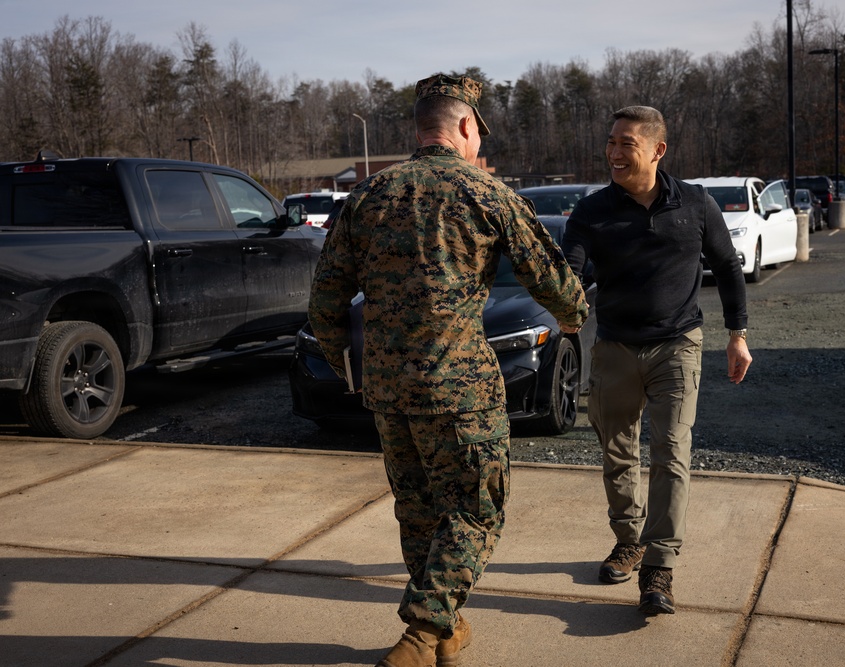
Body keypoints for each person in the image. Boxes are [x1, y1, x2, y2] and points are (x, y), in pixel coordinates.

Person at [308, 73, 588, 667]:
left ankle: (447, 630)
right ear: (465, 125)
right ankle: (421, 631)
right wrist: (573, 318)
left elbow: (326, 300)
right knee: (476, 510)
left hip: (388, 392)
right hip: (459, 389)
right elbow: (553, 280)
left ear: (420, 128)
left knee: (419, 512)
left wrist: (346, 365)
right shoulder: (486, 193)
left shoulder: (368, 195)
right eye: (478, 131)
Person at [561, 105, 752, 616]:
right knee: (617, 451)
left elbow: (728, 268)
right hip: (614, 347)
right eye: (611, 142)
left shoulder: (695, 203)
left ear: (657, 150)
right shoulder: (592, 210)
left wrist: (738, 335)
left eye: (626, 143)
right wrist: (565, 302)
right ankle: (629, 540)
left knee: (671, 451)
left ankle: (659, 566)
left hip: (677, 345)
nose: (614, 152)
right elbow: (571, 267)